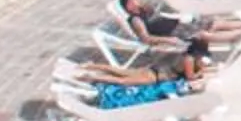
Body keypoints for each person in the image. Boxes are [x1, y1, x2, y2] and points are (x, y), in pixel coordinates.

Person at [71, 38, 212, 90]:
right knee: (121, 80)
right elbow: (190, 78)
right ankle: (90, 76)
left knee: (119, 71)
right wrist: (202, 71)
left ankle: (89, 66)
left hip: (152, 70)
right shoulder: (189, 60)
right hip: (154, 77)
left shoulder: (183, 55)